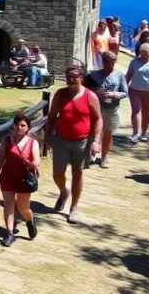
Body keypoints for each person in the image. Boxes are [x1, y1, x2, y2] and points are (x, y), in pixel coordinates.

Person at [44, 65, 102, 224]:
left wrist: (96, 141)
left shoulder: (90, 96)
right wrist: (48, 136)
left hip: (82, 142)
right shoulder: (61, 94)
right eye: (68, 76)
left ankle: (74, 208)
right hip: (61, 140)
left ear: (81, 78)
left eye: (74, 77)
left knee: (77, 174)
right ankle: (64, 192)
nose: (71, 80)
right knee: (57, 173)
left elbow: (98, 119)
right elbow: (51, 116)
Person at [0, 113, 41, 247]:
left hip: (24, 179)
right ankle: (9, 233)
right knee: (9, 204)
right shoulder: (6, 140)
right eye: (17, 125)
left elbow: (37, 160)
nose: (19, 128)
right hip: (7, 177)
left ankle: (30, 220)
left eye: (23, 125)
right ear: (13, 126)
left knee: (23, 208)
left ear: (28, 128)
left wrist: (31, 164)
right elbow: (0, 158)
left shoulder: (32, 143)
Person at [85, 51, 129, 168]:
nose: (111, 64)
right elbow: (85, 90)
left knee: (108, 134)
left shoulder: (119, 76)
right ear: (103, 61)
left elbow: (125, 93)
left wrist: (113, 94)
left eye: (113, 62)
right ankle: (92, 154)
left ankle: (104, 157)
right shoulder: (93, 75)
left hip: (111, 109)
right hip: (95, 108)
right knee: (92, 132)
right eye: (108, 62)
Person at [126, 43, 149, 143]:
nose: (141, 55)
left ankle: (143, 133)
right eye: (141, 52)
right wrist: (124, 86)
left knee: (145, 112)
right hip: (134, 90)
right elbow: (129, 74)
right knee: (135, 110)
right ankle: (135, 132)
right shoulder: (134, 62)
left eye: (144, 53)